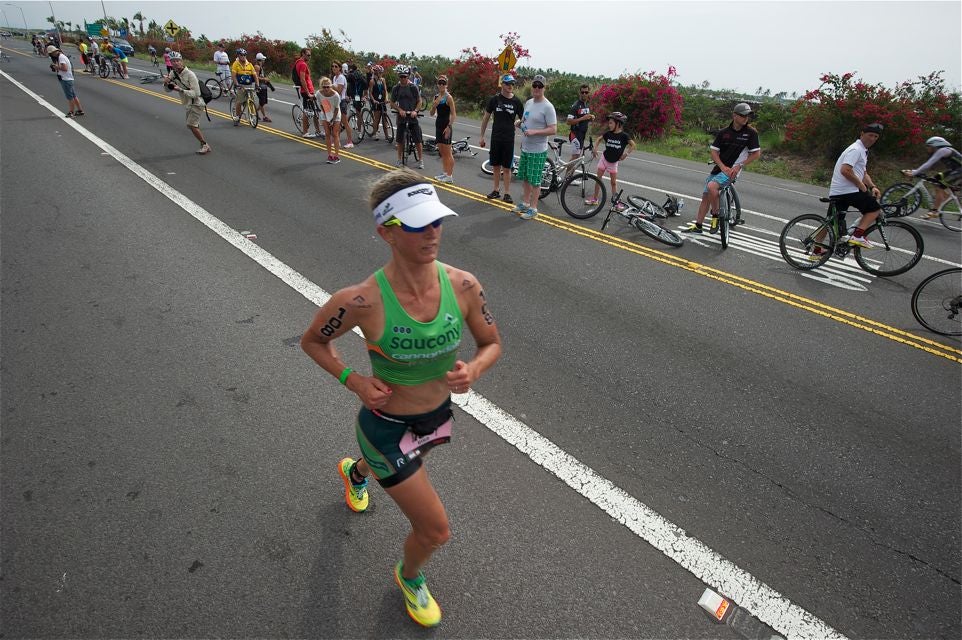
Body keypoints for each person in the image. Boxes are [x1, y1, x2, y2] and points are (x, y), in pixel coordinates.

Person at [300, 168, 502, 628]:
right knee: (435, 530)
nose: (432, 233)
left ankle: (355, 472)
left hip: (435, 419)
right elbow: (313, 341)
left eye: (437, 221)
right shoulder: (361, 301)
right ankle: (409, 577)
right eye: (417, 224)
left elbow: (492, 343)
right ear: (386, 232)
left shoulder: (464, 286)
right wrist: (353, 379)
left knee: (399, 469)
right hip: (386, 429)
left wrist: (473, 369)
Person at [683, 103, 761, 234]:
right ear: (734, 116)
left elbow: (756, 154)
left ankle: (716, 215)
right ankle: (698, 226)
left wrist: (740, 165)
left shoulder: (751, 133)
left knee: (712, 186)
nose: (746, 118)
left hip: (733, 170)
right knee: (706, 196)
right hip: (721, 168)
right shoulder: (724, 133)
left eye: (748, 116)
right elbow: (714, 152)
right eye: (743, 115)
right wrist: (722, 166)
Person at [820, 123, 886, 250]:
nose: (872, 139)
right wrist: (860, 185)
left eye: (876, 137)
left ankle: (817, 249)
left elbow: (863, 173)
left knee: (831, 221)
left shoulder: (862, 150)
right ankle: (858, 235)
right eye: (870, 135)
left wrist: (872, 186)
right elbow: (845, 170)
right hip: (848, 190)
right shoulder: (856, 150)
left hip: (840, 191)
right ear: (862, 134)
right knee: (874, 209)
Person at [514, 74, 557, 220]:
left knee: (535, 180)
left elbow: (553, 129)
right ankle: (525, 203)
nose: (537, 88)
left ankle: (533, 209)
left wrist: (535, 132)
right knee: (526, 177)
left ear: (544, 88)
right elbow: (525, 119)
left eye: (540, 86)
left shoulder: (548, 107)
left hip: (538, 150)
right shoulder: (529, 103)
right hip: (526, 147)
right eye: (535, 85)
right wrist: (519, 122)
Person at [478, 75, 524, 203]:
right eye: (508, 83)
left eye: (512, 84)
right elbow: (486, 118)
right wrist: (481, 136)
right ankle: (496, 190)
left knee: (507, 167)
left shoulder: (516, 101)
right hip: (496, 137)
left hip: (509, 138)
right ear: (502, 84)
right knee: (496, 165)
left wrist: (518, 124)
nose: (510, 86)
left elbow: (524, 119)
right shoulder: (494, 99)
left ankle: (507, 193)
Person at [902, 136, 962, 218]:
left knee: (940, 186)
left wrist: (914, 172)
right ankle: (940, 206)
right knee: (935, 179)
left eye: (928, 146)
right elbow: (928, 166)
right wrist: (915, 171)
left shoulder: (943, 150)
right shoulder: (942, 150)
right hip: (955, 170)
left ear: (935, 145)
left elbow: (928, 164)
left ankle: (935, 211)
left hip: (959, 171)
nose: (927, 148)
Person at [164, 52, 211, 155]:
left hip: (197, 103)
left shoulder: (190, 74)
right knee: (191, 126)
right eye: (173, 61)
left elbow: (196, 93)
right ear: (170, 63)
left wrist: (180, 90)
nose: (176, 63)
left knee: (191, 125)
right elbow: (167, 90)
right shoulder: (173, 73)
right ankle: (202, 141)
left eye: (177, 60)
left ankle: (205, 145)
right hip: (188, 103)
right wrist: (166, 83)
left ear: (182, 61)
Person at [588, 112, 635, 208]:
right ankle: (595, 199)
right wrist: (595, 149)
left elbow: (633, 145)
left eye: (611, 123)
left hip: (613, 163)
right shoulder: (608, 134)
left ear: (618, 124)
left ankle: (616, 202)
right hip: (604, 159)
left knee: (613, 183)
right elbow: (598, 139)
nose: (609, 125)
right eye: (609, 123)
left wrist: (626, 154)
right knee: (598, 179)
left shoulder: (624, 136)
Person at [389, 65, 424, 169]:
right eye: (401, 76)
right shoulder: (396, 88)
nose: (403, 78)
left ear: (408, 76)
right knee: (399, 140)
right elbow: (392, 103)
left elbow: (419, 101)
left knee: (418, 140)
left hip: (412, 116)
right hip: (402, 116)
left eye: (404, 76)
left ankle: (421, 160)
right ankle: (399, 160)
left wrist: (415, 111)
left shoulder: (413, 87)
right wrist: (399, 110)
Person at [429, 75, 457, 183]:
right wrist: (434, 105)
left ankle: (449, 176)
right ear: (437, 84)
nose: (441, 85)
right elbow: (431, 113)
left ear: (446, 85)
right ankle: (445, 173)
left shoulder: (448, 97)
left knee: (448, 152)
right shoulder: (436, 97)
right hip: (438, 125)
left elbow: (454, 115)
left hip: (446, 126)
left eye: (443, 83)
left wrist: (449, 127)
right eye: (439, 83)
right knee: (442, 152)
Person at [47, 44, 84, 117]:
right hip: (68, 79)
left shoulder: (61, 57)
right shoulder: (61, 57)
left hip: (66, 79)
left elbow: (65, 68)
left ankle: (71, 112)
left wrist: (55, 67)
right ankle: (80, 110)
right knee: (73, 96)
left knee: (70, 97)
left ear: (53, 53)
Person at [566, 84, 594, 176]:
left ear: (588, 93)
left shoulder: (586, 104)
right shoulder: (576, 105)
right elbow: (568, 121)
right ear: (580, 93)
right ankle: (567, 178)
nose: (584, 94)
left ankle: (569, 177)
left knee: (577, 157)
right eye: (582, 92)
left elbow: (585, 118)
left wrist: (590, 117)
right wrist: (583, 118)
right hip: (575, 134)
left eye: (586, 92)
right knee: (575, 157)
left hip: (582, 134)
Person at [293, 48, 322, 138]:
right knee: (307, 111)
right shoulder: (302, 64)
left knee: (314, 111)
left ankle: (318, 131)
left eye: (310, 55)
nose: (310, 57)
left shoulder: (298, 62)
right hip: (306, 91)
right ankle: (305, 132)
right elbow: (302, 79)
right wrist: (308, 92)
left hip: (308, 90)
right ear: (303, 54)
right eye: (308, 55)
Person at [230, 49, 259, 126]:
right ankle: (237, 117)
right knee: (239, 102)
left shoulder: (249, 64)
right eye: (241, 55)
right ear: (238, 56)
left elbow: (255, 76)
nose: (243, 56)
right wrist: (237, 84)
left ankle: (252, 115)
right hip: (240, 85)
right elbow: (233, 76)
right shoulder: (236, 64)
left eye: (244, 55)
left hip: (249, 85)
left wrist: (257, 85)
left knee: (251, 100)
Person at [317, 77, 342, 164]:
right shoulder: (319, 94)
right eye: (324, 87)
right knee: (327, 134)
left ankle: (336, 155)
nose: (326, 89)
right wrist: (327, 117)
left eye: (328, 87)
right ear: (321, 87)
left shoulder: (336, 95)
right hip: (326, 112)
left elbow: (337, 108)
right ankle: (329, 154)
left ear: (330, 86)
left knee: (334, 134)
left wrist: (332, 120)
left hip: (335, 114)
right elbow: (321, 105)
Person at [330, 61, 355, 149]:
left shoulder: (341, 77)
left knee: (345, 122)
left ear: (340, 68)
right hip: (336, 102)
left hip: (342, 102)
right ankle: (337, 140)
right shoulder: (335, 77)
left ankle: (350, 142)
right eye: (333, 66)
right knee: (337, 122)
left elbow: (339, 91)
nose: (334, 68)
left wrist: (331, 86)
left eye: (336, 66)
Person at [368, 64, 390, 142]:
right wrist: (374, 100)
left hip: (382, 101)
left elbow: (386, 90)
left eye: (381, 73)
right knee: (377, 118)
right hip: (376, 101)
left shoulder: (383, 80)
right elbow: (370, 93)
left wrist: (386, 98)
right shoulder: (372, 81)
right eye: (380, 73)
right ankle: (375, 133)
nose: (381, 74)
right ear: (376, 73)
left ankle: (387, 136)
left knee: (384, 119)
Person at [253, 52, 273, 122]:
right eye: (263, 60)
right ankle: (264, 117)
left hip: (263, 87)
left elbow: (260, 76)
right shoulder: (257, 67)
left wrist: (266, 80)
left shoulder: (260, 67)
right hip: (260, 87)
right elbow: (256, 77)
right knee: (262, 103)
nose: (264, 61)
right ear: (260, 60)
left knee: (263, 102)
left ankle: (255, 113)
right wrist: (264, 79)